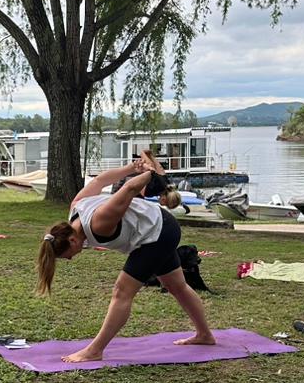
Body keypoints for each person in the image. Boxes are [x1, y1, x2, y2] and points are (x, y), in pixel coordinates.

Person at [36, 150, 215, 363]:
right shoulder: (76, 206)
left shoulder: (100, 222)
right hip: (160, 226)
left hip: (157, 234)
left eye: (68, 256)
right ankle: (205, 335)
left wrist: (151, 174)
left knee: (122, 291)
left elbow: (130, 188)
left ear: (72, 241)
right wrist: (131, 168)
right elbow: (102, 180)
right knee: (177, 286)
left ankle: (94, 350)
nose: (72, 258)